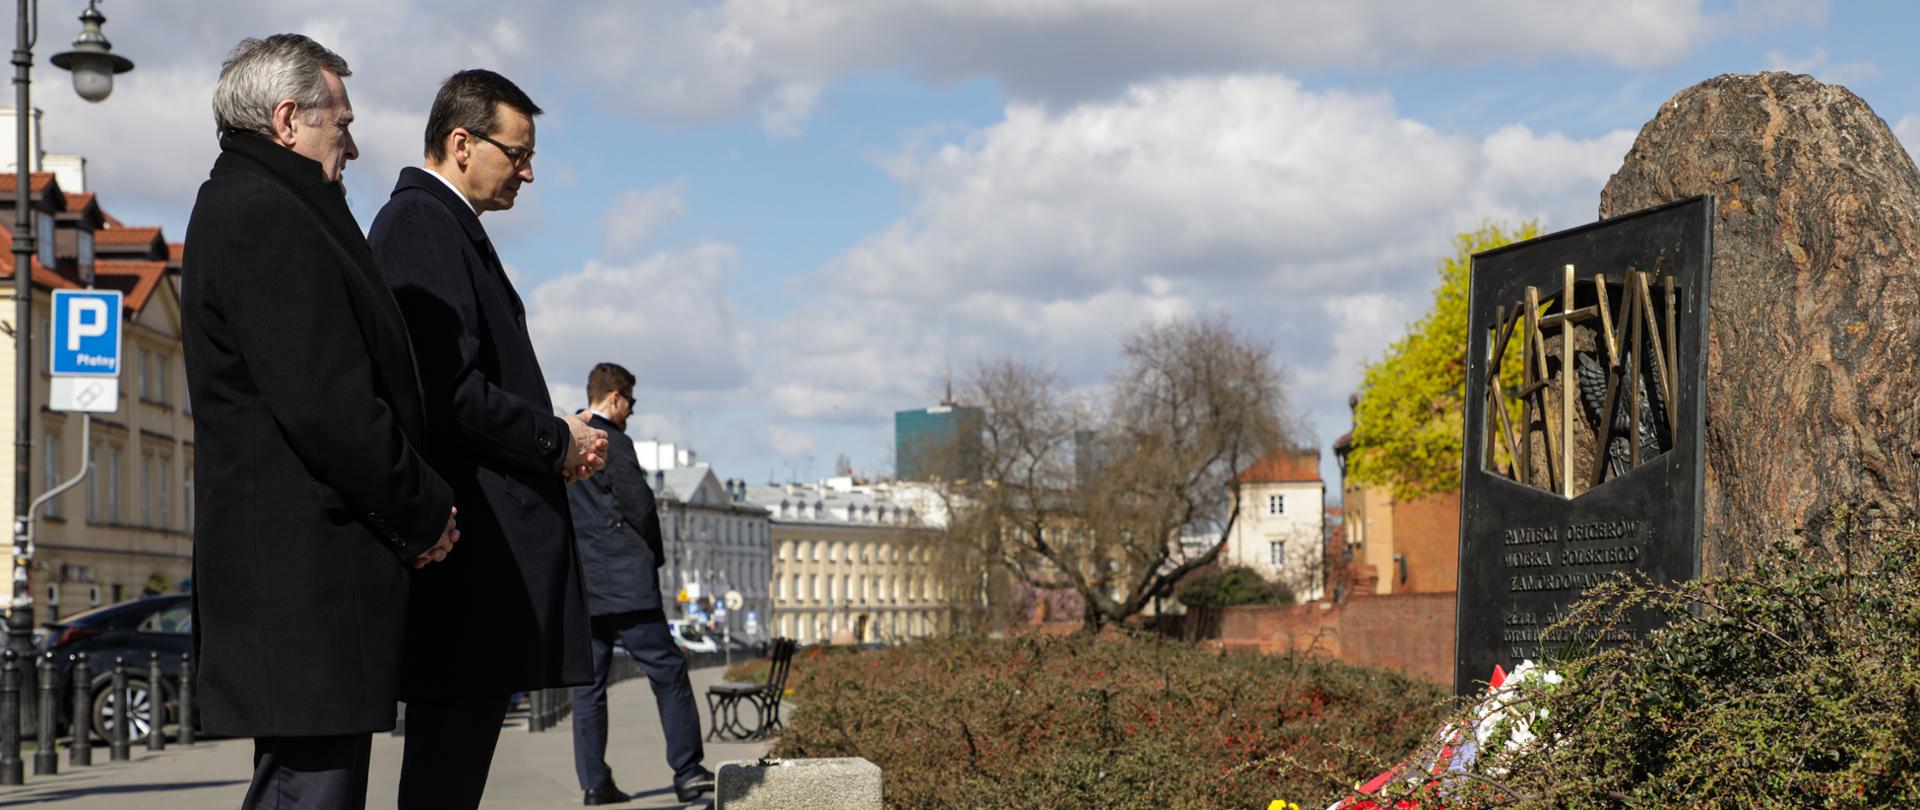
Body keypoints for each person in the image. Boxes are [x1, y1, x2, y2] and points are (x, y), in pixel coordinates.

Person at [182, 34, 459, 810]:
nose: (355, 145)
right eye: (341, 124)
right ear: (287, 120)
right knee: (311, 791)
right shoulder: (265, 213)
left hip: (307, 571)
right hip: (303, 575)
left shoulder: (263, 204)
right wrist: (424, 509)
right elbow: (329, 404)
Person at [368, 68, 606, 810]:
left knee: (455, 768)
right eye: (518, 152)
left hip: (474, 540)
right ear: (462, 142)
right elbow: (446, 390)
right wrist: (554, 439)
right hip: (467, 545)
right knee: (446, 774)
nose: (529, 172)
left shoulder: (442, 224)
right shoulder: (419, 223)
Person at [567, 363, 714, 805]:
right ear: (614, 397)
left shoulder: (564, 437)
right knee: (667, 672)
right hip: (626, 582)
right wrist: (654, 558)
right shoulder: (614, 441)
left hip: (585, 584)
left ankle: (595, 784)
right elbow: (640, 506)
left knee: (588, 685)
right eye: (630, 401)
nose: (631, 411)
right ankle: (687, 773)